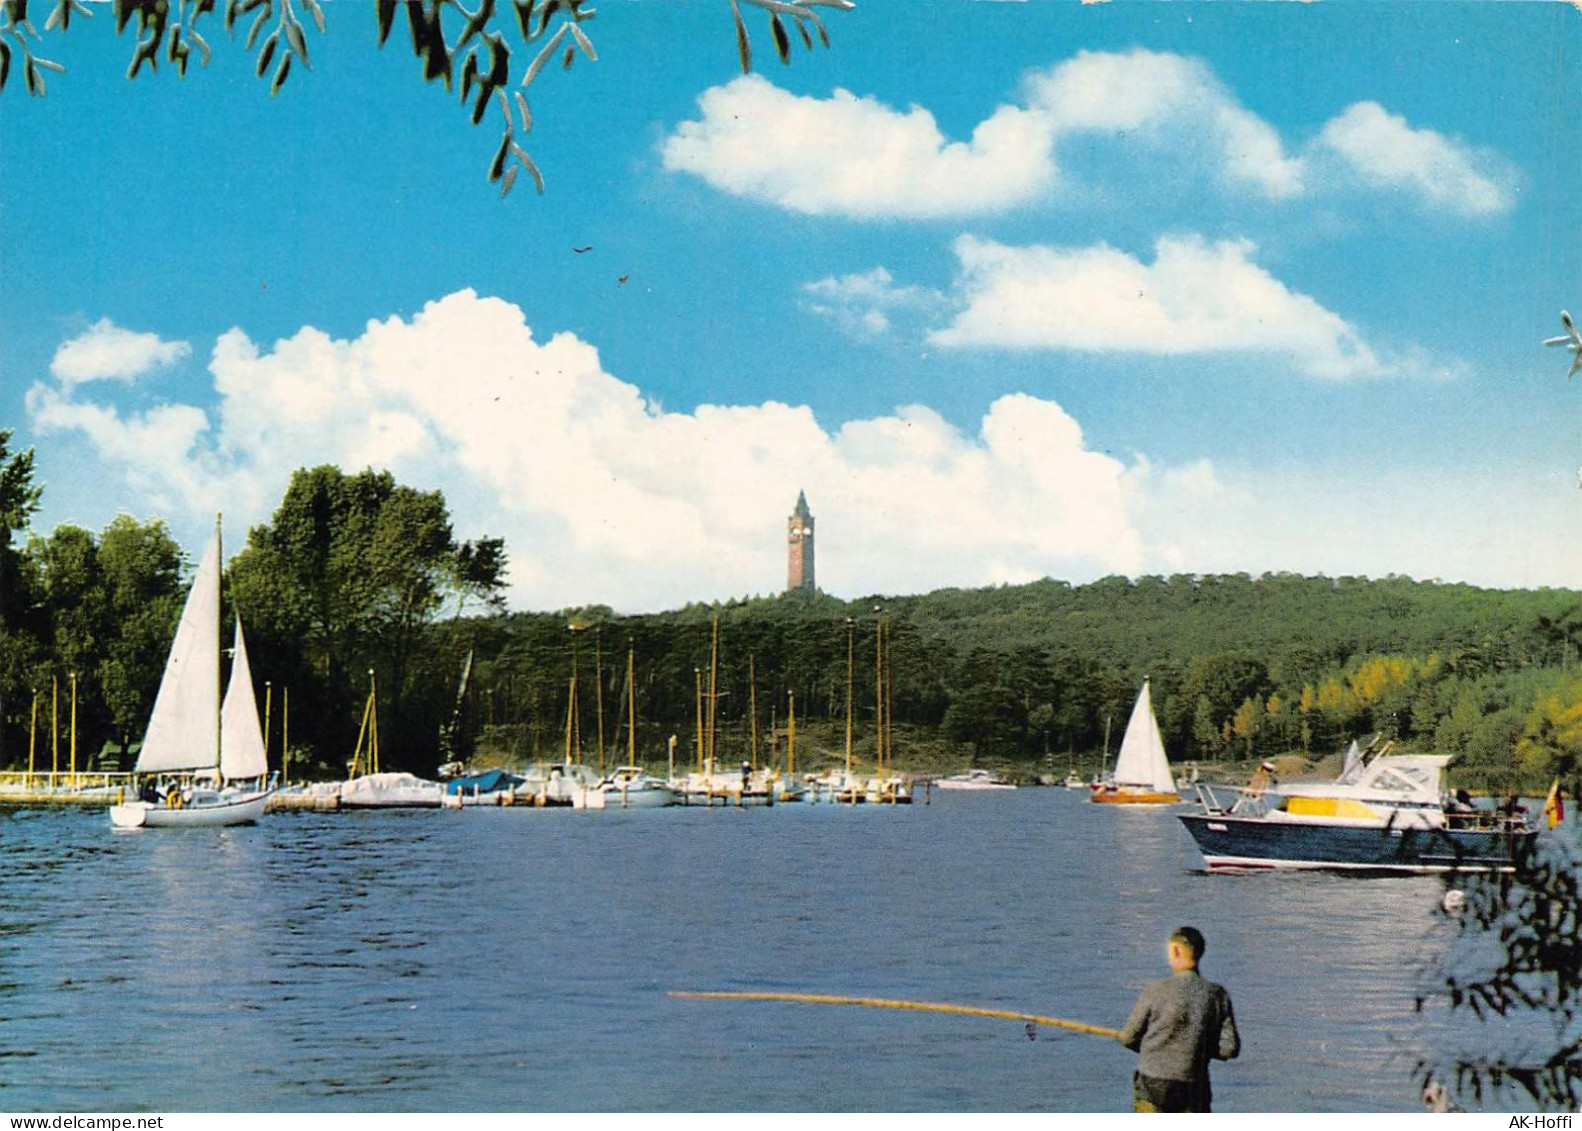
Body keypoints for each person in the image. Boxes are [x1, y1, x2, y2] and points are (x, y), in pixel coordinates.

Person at [1118, 925, 1240, 1113]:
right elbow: (1229, 1048)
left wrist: (1153, 1044)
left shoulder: (1155, 991)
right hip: (1194, 1086)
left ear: (1175, 951)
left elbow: (1127, 1038)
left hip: (1153, 1084)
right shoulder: (1217, 995)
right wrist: (1197, 1045)